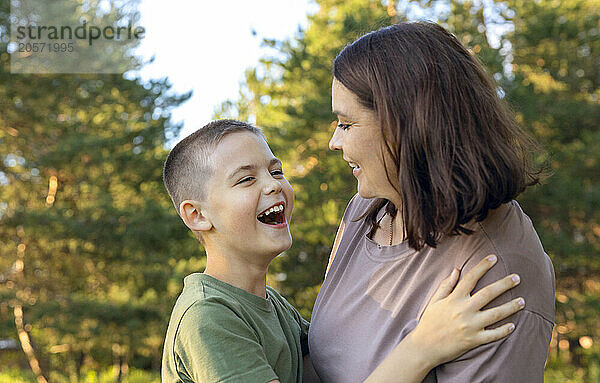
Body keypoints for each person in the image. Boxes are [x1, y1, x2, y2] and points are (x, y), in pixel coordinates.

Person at [160, 119, 525, 383]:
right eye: (246, 179)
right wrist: (424, 346)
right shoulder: (208, 317)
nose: (273, 185)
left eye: (276, 171)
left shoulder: (272, 306)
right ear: (197, 215)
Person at [309, 21, 556, 382]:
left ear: (405, 124)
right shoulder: (365, 213)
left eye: (346, 124)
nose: (334, 142)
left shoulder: (496, 268)